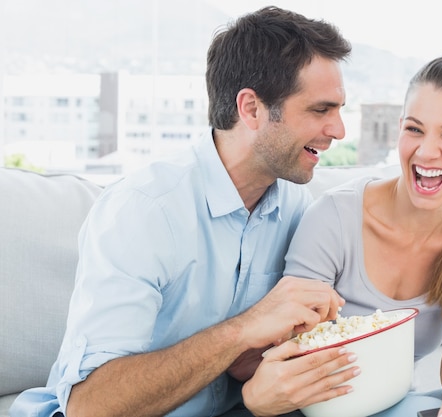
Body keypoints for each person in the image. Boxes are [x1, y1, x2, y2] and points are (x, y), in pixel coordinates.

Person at [10, 6, 358, 417]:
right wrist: (244, 329)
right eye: (320, 110)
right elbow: (91, 406)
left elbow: (256, 361)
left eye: (338, 110)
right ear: (251, 109)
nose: (339, 130)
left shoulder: (296, 204)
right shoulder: (143, 211)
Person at [283, 55, 442, 417]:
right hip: (320, 405)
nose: (426, 151)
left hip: (395, 406)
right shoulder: (334, 218)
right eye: (415, 129)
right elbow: (292, 343)